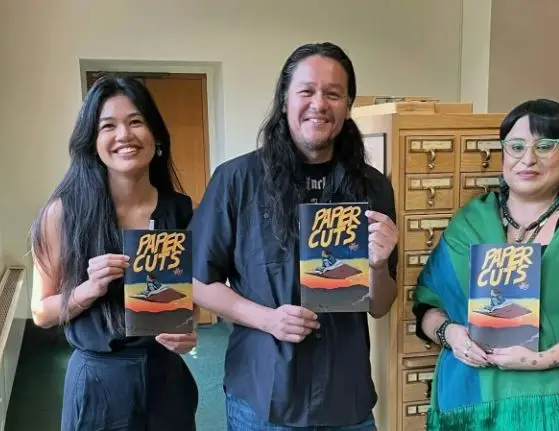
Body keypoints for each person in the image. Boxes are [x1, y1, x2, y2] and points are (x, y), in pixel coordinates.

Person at [189, 42, 399, 430]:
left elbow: (380, 305)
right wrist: (266, 319)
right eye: (306, 91)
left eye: (333, 94)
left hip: (345, 396)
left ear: (347, 106)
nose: (319, 103)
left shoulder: (373, 187)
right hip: (263, 395)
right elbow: (197, 281)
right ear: (284, 101)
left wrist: (380, 265)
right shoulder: (237, 180)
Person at [412, 99, 559, 430]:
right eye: (516, 146)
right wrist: (451, 334)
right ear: (503, 153)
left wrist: (543, 360)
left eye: (544, 146)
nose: (528, 158)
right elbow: (427, 306)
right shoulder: (469, 224)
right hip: (474, 403)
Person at [30, 75, 199, 430]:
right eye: (108, 126)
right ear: (92, 141)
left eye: (136, 122)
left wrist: (186, 331)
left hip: (164, 374)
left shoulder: (180, 210)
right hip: (97, 380)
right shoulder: (63, 213)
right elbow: (41, 312)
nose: (124, 135)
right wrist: (87, 290)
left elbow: (187, 299)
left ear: (156, 136)